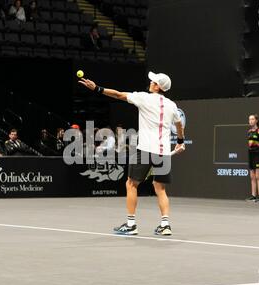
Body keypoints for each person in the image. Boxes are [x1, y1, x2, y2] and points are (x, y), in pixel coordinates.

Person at [79, 71, 186, 236]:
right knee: (160, 188)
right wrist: (180, 141)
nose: (150, 82)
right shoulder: (172, 105)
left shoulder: (144, 97)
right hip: (163, 152)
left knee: (131, 184)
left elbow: (118, 95)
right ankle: (165, 225)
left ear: (157, 86)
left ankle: (131, 224)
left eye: (153, 81)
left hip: (145, 150)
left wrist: (97, 89)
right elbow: (179, 125)